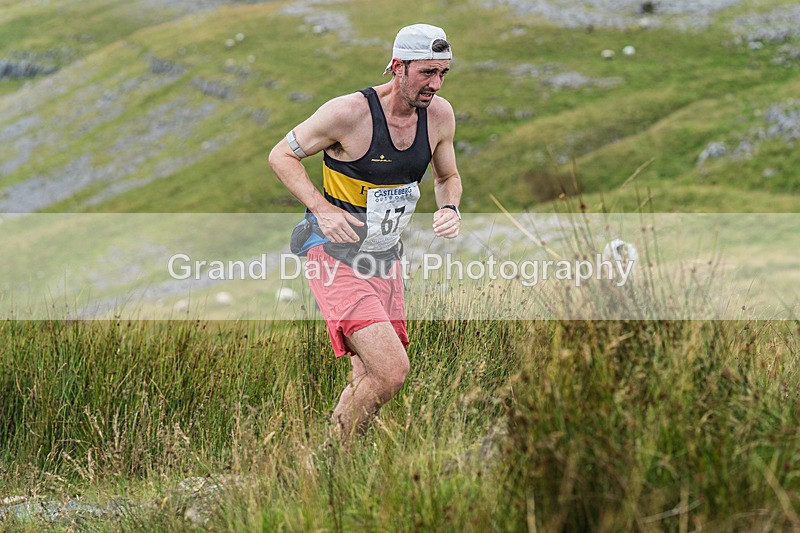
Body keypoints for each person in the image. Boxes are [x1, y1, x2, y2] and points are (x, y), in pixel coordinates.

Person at [268, 23, 462, 441]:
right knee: (392, 373)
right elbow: (281, 154)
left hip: (385, 259)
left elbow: (447, 176)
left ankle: (334, 460)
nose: (436, 84)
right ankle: (329, 453)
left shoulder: (440, 116)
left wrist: (450, 206)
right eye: (427, 72)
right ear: (398, 66)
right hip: (334, 257)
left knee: (369, 374)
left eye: (443, 73)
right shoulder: (348, 113)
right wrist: (321, 210)